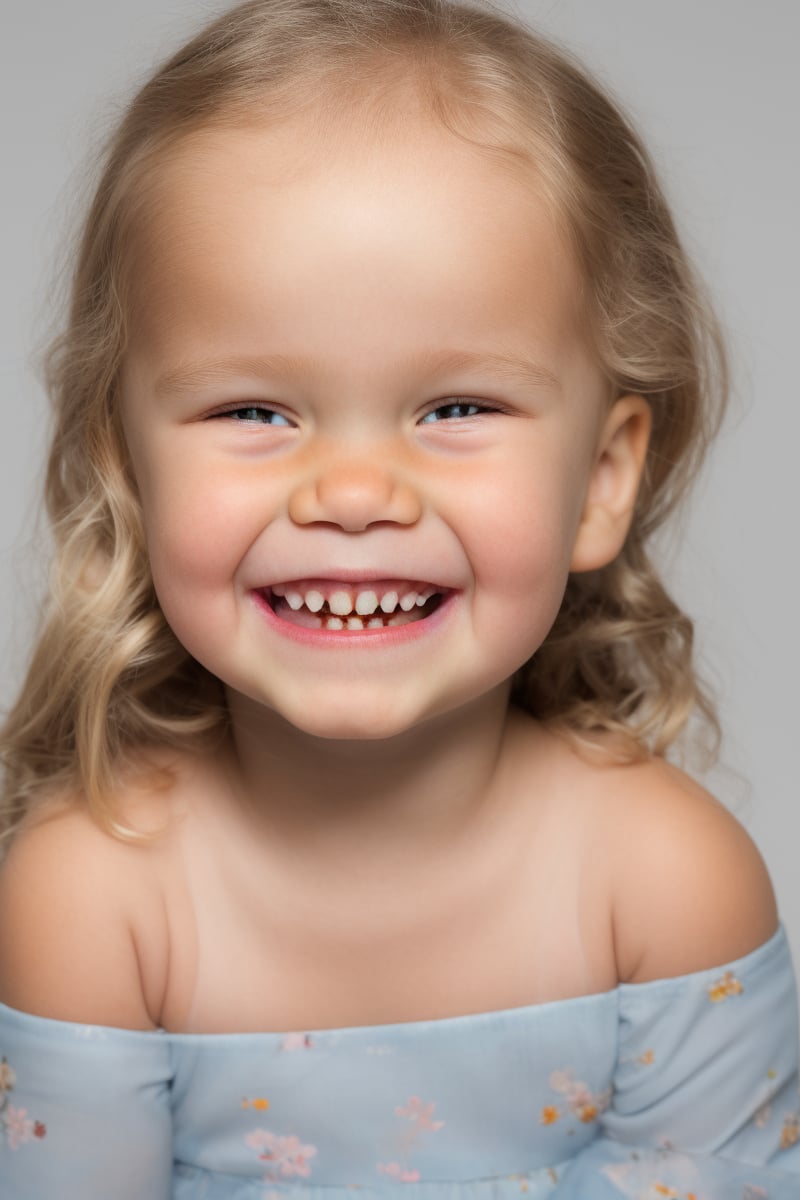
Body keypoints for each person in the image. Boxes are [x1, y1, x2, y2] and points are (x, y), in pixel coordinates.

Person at [0, 0, 798, 1196]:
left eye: (456, 407)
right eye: (252, 411)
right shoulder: (94, 897)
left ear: (598, 479)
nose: (356, 491)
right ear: (129, 474)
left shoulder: (662, 882)